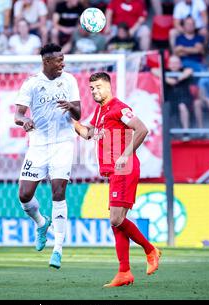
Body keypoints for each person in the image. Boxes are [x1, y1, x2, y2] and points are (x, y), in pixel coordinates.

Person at [73, 72, 161, 287]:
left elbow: (142, 129)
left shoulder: (119, 108)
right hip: (114, 171)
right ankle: (124, 272)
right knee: (117, 222)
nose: (95, 91)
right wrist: (69, 119)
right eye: (92, 88)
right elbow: (87, 134)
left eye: (99, 87)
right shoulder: (101, 111)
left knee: (116, 219)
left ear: (109, 87)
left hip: (124, 168)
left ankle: (150, 250)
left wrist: (125, 155)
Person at [14, 43, 81, 269]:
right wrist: (25, 121)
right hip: (38, 144)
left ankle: (58, 249)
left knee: (58, 190)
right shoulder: (32, 83)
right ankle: (42, 224)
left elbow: (79, 113)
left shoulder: (69, 80)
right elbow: (18, 114)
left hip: (63, 142)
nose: (63, 63)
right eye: (58, 60)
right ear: (46, 62)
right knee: (24, 195)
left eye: (63, 59)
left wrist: (70, 105)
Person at [164, 55, 194, 140]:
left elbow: (190, 70)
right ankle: (168, 134)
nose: (173, 65)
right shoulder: (165, 72)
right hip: (169, 100)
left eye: (176, 63)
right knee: (165, 108)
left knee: (182, 106)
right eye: (172, 63)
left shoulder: (184, 70)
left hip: (184, 99)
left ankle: (186, 133)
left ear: (180, 64)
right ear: (168, 64)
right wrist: (167, 79)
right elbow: (154, 70)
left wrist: (178, 79)